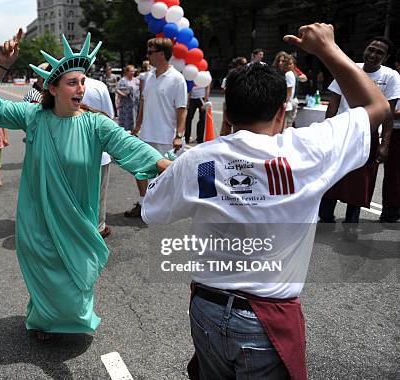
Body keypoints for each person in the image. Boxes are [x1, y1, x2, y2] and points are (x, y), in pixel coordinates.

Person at [141, 23, 389, 380]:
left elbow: (153, 211)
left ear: (225, 113)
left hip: (207, 310)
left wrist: (173, 172)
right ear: (281, 112)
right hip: (267, 319)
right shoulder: (305, 151)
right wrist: (326, 50)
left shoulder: (203, 161)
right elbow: (376, 105)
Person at [0, 30, 170, 340]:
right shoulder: (34, 117)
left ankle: (68, 318)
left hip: (78, 218)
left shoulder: (94, 123)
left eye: (82, 82)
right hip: (38, 216)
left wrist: (166, 165)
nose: (81, 88)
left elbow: (129, 145)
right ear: (53, 88)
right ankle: (44, 320)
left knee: (74, 277)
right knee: (46, 273)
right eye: (73, 82)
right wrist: (2, 66)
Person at [318, 36, 399, 239]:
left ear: (386, 57)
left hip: (368, 134)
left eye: (379, 53)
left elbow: (388, 114)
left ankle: (351, 221)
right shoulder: (349, 68)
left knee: (361, 180)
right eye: (371, 49)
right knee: (333, 175)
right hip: (342, 130)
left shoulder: (390, 77)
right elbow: (333, 103)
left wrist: (385, 144)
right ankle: (325, 218)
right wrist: (326, 130)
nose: (373, 55)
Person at [124, 37, 188, 218]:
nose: (147, 56)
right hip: (146, 133)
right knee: (139, 169)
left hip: (166, 136)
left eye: (150, 52)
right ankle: (144, 204)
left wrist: (179, 135)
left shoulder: (177, 79)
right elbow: (144, 103)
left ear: (161, 54)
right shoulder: (149, 76)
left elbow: (182, 109)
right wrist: (137, 126)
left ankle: (165, 206)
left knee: (166, 176)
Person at [82, 76, 115, 238]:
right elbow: (109, 116)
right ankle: (99, 226)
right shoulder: (98, 85)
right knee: (99, 193)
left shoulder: (59, 84)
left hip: (70, 151)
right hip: (99, 151)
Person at [380, 50, 400, 222]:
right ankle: (390, 210)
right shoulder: (393, 81)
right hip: (395, 131)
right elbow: (389, 111)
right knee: (393, 174)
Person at [220, 57, 248, 136]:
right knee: (227, 123)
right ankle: (225, 139)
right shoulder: (229, 77)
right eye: (244, 64)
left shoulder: (245, 76)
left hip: (242, 102)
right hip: (230, 103)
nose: (246, 66)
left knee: (240, 124)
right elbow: (223, 90)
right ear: (238, 65)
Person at [116, 65, 139, 131]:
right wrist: (123, 94)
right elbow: (117, 89)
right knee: (124, 120)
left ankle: (133, 132)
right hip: (124, 104)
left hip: (133, 104)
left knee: (133, 118)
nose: (133, 72)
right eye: (131, 71)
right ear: (127, 72)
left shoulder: (136, 80)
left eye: (133, 71)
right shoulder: (122, 80)